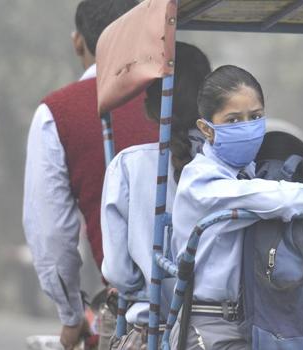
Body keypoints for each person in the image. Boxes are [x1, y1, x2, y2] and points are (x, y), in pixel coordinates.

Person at [170, 65, 303, 350]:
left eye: (255, 117)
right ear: (206, 129)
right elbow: (270, 198)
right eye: (233, 120)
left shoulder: (250, 172)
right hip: (209, 322)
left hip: (257, 320)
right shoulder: (200, 179)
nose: (246, 127)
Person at [22, 1, 158, 349]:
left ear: (77, 42)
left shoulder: (57, 113)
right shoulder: (182, 98)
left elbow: (51, 234)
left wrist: (71, 315)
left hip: (131, 312)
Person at [100, 42, 211, 349]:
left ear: (151, 102)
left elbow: (118, 273)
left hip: (151, 329)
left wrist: (148, 284)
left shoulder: (128, 165)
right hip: (218, 332)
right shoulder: (235, 167)